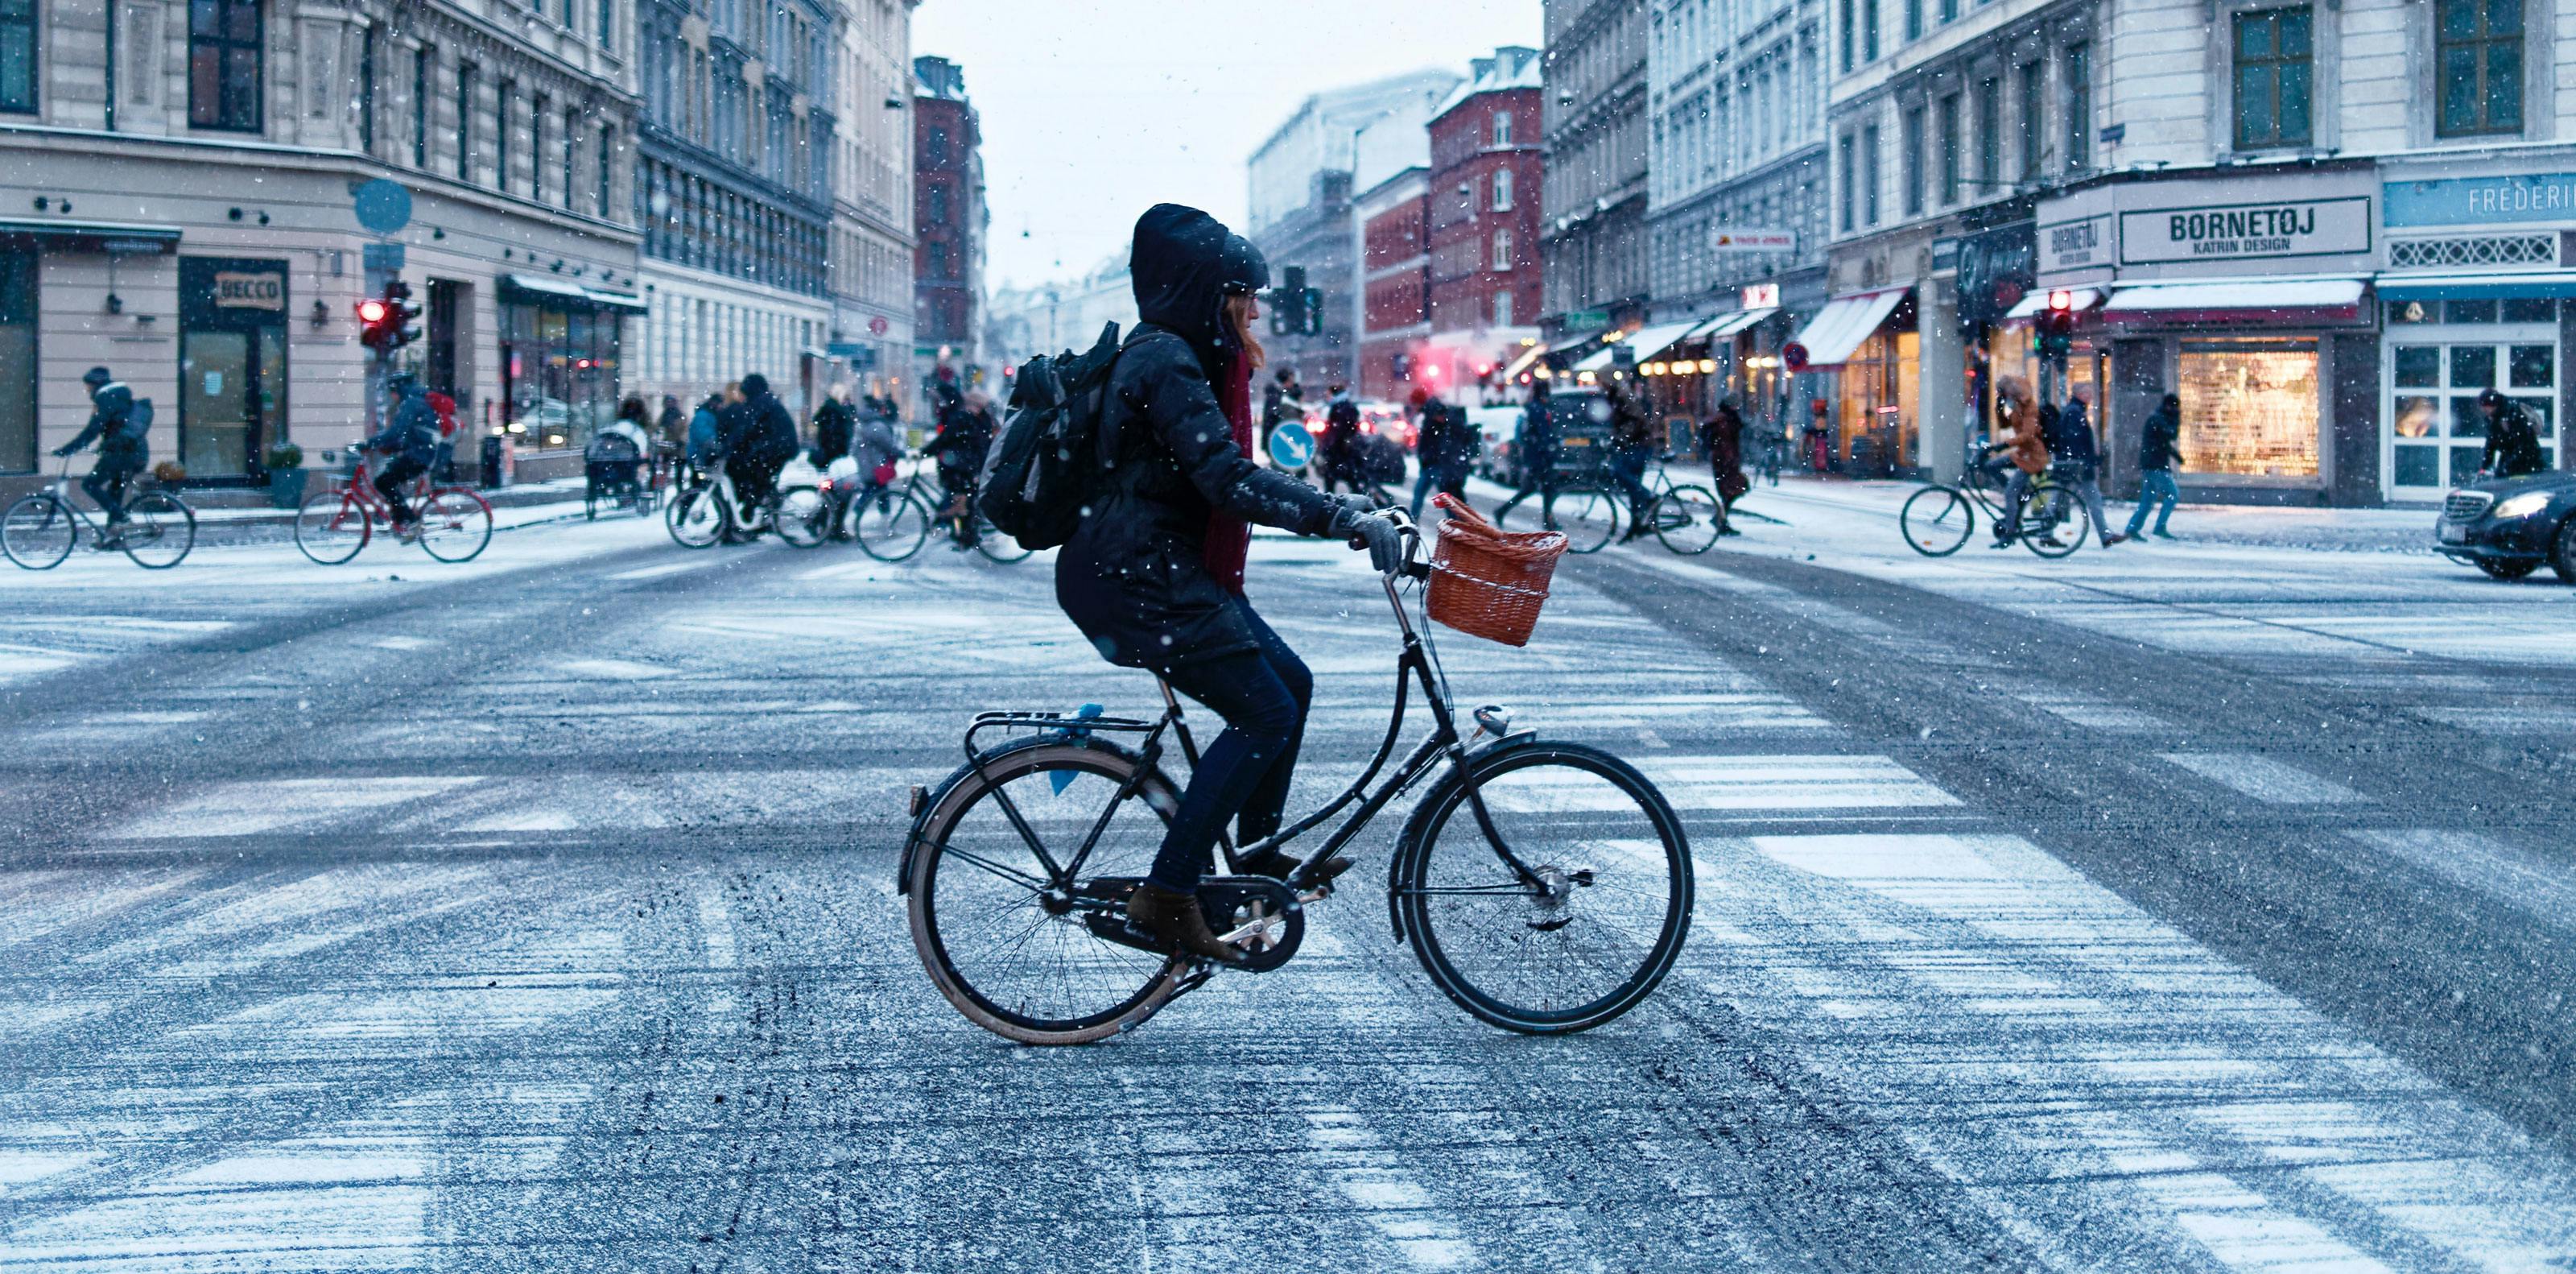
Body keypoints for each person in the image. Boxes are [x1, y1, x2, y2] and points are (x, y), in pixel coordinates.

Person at [1056, 203, 1397, 965]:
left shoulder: (1175, 354)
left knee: (1291, 684)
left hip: (1149, 568)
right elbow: (1225, 478)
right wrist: (1338, 516)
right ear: (1203, 292)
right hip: (1138, 578)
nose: (1251, 311)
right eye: (1240, 295)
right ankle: (1170, 894)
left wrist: (1345, 509)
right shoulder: (1166, 361)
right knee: (1264, 714)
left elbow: (1219, 472)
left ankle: (1255, 858)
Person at [52, 366, 148, 532]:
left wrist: (69, 449)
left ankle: (122, 518)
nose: (87, 389)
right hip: (136, 452)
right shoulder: (118, 397)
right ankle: (114, 537)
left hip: (122, 454)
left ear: (95, 384)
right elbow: (115, 428)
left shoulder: (106, 398)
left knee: (90, 485)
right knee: (114, 494)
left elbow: (93, 430)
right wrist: (103, 447)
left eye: (88, 386)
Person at [2045, 385, 2124, 547]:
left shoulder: (2073, 410)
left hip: (2074, 464)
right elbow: (2075, 440)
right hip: (2077, 466)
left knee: (2064, 496)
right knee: (2065, 497)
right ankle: (2045, 532)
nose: (2090, 396)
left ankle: (2105, 535)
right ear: (2080, 394)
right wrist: (2086, 460)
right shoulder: (2074, 412)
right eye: (2087, 393)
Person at [365, 372, 441, 534]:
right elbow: (409, 434)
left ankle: (410, 523)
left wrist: (371, 442)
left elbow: (397, 431)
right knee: (390, 479)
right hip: (422, 453)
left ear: (399, 389)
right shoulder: (417, 401)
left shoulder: (411, 403)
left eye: (392, 391)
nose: (392, 396)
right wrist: (393, 446)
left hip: (420, 456)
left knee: (383, 482)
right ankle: (401, 522)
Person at [721, 374, 798, 524]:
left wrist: (730, 446)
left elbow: (747, 430)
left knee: (755, 479)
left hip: (778, 448)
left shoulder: (760, 403)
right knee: (759, 480)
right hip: (781, 447)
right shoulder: (765, 400)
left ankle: (758, 512)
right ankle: (763, 508)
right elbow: (752, 430)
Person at [1988, 375, 2049, 548]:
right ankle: (2017, 496)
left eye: (2002, 393)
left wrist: (2003, 445)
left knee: (2010, 494)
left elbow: (2028, 435)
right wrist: (1999, 408)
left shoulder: (2029, 408)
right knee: (1991, 466)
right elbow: (2005, 425)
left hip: (2033, 456)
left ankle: (2009, 532)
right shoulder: (2016, 407)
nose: (2002, 396)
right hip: (2022, 453)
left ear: (2010, 392)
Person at [1492, 380, 1560, 527]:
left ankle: (1503, 511)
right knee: (1547, 488)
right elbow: (1544, 433)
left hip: (1534, 455)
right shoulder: (1539, 409)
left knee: (1536, 488)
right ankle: (1547, 521)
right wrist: (1552, 446)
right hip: (1539, 456)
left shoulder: (1532, 407)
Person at [2125, 391, 2185, 540]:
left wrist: (2176, 457)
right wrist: (2177, 419)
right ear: (2169, 406)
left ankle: (2132, 529)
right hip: (2156, 465)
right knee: (2172, 495)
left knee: (2147, 500)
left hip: (2151, 464)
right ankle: (2159, 527)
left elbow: (2162, 442)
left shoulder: (2157, 418)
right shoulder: (2158, 419)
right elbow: (2170, 435)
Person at [1604, 378, 1657, 543]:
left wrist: (1621, 438)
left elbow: (1636, 420)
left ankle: (1649, 497)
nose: (1600, 383)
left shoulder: (1623, 395)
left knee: (1619, 471)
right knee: (1632, 485)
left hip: (1640, 444)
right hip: (1636, 443)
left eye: (1601, 379)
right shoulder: (1617, 395)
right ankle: (1636, 526)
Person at [1408, 391, 1469, 519]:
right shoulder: (1431, 410)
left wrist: (1429, 455)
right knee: (1445, 497)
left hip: (1435, 462)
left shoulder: (1432, 411)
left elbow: (1435, 437)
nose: (1413, 407)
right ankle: (1456, 522)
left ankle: (1413, 522)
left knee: (1431, 495)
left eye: (1414, 404)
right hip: (1435, 461)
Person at [2480, 388, 2546, 478]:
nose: (2484, 410)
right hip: (2510, 457)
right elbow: (2490, 444)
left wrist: (2509, 465)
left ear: (2494, 405)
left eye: (2486, 407)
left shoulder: (2513, 413)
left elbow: (2523, 442)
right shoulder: (2492, 418)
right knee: (2502, 478)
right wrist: (2484, 466)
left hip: (2527, 460)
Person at [1707, 399, 1749, 535]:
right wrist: (1730, 459)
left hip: (1724, 460)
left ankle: (1721, 519)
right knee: (1733, 489)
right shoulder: (1724, 420)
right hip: (1725, 461)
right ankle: (1721, 520)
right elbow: (1725, 442)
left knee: (1730, 490)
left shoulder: (1724, 419)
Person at [1318, 385, 1364, 494]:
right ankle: (1360, 504)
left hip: (1339, 452)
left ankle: (1330, 507)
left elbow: (1337, 432)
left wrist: (1327, 448)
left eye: (1328, 395)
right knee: (1352, 482)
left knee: (1332, 484)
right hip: (1345, 452)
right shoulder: (1346, 406)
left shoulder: (1339, 408)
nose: (1327, 398)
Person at [813, 382, 857, 467]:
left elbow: (817, 420)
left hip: (831, 445)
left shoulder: (831, 406)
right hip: (834, 446)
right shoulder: (835, 408)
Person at [686, 389, 727, 478]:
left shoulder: (707, 415)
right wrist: (715, 444)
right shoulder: (704, 415)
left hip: (700, 455)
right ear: (713, 403)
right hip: (700, 456)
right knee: (700, 478)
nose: (721, 406)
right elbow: (703, 435)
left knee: (701, 478)